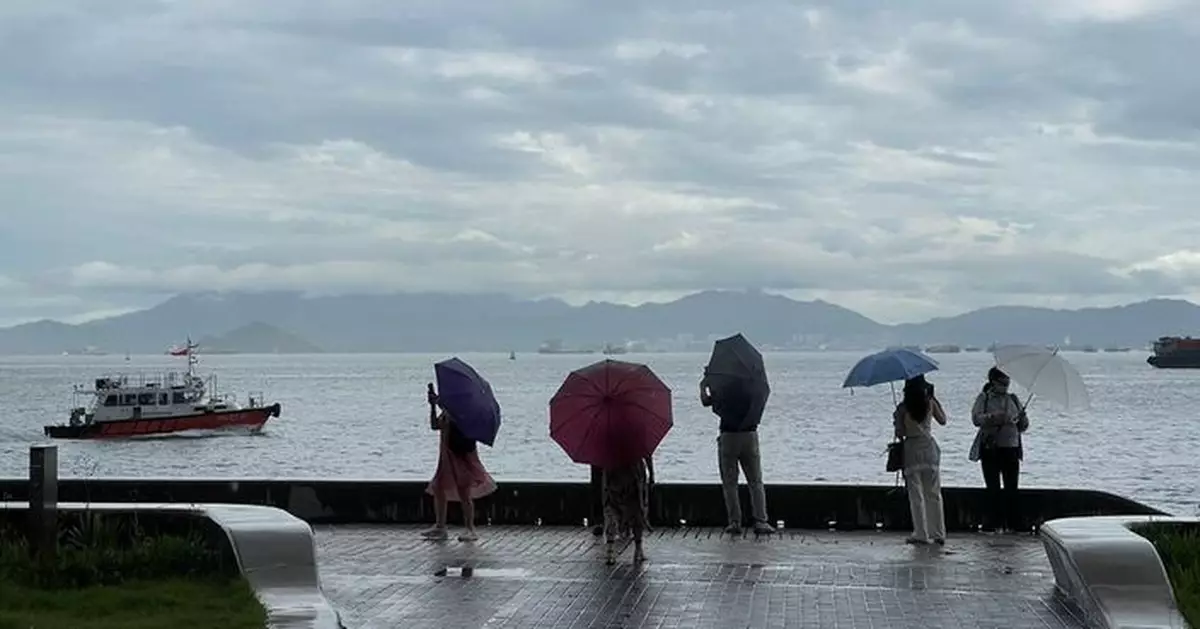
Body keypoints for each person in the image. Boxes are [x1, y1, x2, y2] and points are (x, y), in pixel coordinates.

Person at [701, 374, 774, 536]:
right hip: (749, 433)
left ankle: (734, 522)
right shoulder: (753, 387)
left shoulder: (724, 388)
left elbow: (706, 401)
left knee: (730, 483)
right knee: (755, 481)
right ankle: (761, 521)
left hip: (728, 435)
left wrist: (704, 385)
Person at [422, 384, 497, 542]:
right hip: (446, 455)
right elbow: (435, 425)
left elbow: (462, 426)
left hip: (461, 455)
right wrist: (433, 407)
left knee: (464, 491)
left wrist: (440, 403)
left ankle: (470, 528)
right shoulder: (448, 411)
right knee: (439, 488)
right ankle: (440, 526)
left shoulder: (465, 412)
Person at [969, 367, 1030, 533]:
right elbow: (976, 419)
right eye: (1002, 383)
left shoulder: (1014, 399)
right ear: (993, 382)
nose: (1005, 386)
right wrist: (993, 417)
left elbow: (1023, 427)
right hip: (991, 447)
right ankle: (993, 522)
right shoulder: (984, 398)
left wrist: (1022, 418)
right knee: (993, 487)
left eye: (1007, 383)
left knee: (1012, 487)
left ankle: (1013, 522)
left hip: (1012, 447)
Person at [893, 375, 948, 545]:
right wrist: (934, 398)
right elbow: (943, 420)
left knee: (916, 495)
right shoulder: (929, 402)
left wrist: (897, 419)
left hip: (912, 452)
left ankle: (921, 533)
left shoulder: (903, 408)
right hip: (930, 450)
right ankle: (938, 533)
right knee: (934, 494)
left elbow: (900, 433)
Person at [602, 456, 654, 564]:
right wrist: (651, 473)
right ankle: (638, 549)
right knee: (637, 515)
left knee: (612, 513)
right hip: (634, 478)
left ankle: (610, 550)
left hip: (615, 475)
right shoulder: (638, 441)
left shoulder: (610, 444)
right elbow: (647, 454)